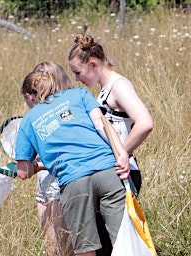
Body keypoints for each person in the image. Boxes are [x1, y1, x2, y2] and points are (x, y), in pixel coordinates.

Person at [15, 68, 130, 255]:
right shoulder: (79, 94)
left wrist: (35, 166)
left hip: (74, 182)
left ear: (30, 96)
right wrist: (121, 153)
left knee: (86, 248)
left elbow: (23, 172)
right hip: (108, 170)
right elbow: (102, 125)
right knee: (124, 242)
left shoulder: (29, 120)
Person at [67, 33, 154, 255]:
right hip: (112, 172)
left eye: (78, 72)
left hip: (124, 171)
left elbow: (145, 122)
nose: (77, 79)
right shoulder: (105, 90)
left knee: (121, 244)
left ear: (93, 64)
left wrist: (122, 152)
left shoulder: (119, 86)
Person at [23, 62, 74, 256]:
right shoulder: (39, 114)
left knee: (64, 248)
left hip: (62, 185)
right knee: (50, 249)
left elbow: (67, 154)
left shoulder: (67, 111)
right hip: (44, 185)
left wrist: (38, 165)